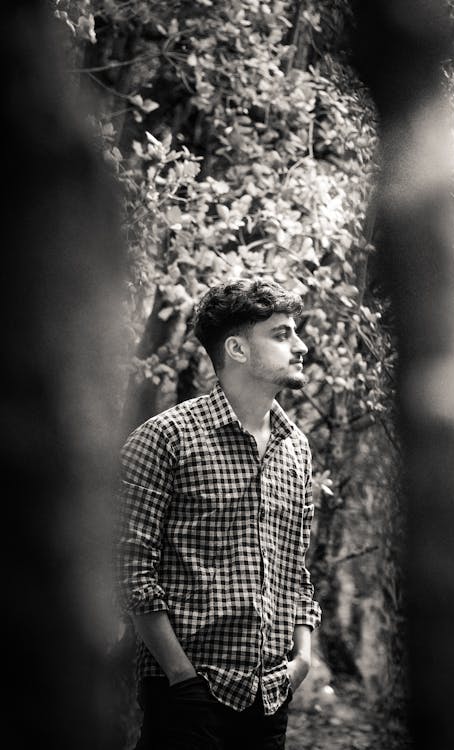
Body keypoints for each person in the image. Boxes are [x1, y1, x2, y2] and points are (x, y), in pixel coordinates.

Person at [116, 278, 321, 750]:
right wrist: (181, 677)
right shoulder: (165, 439)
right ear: (237, 348)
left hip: (271, 697)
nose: (301, 345)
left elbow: (296, 565)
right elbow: (128, 567)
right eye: (282, 333)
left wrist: (302, 660)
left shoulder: (297, 449)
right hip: (188, 697)